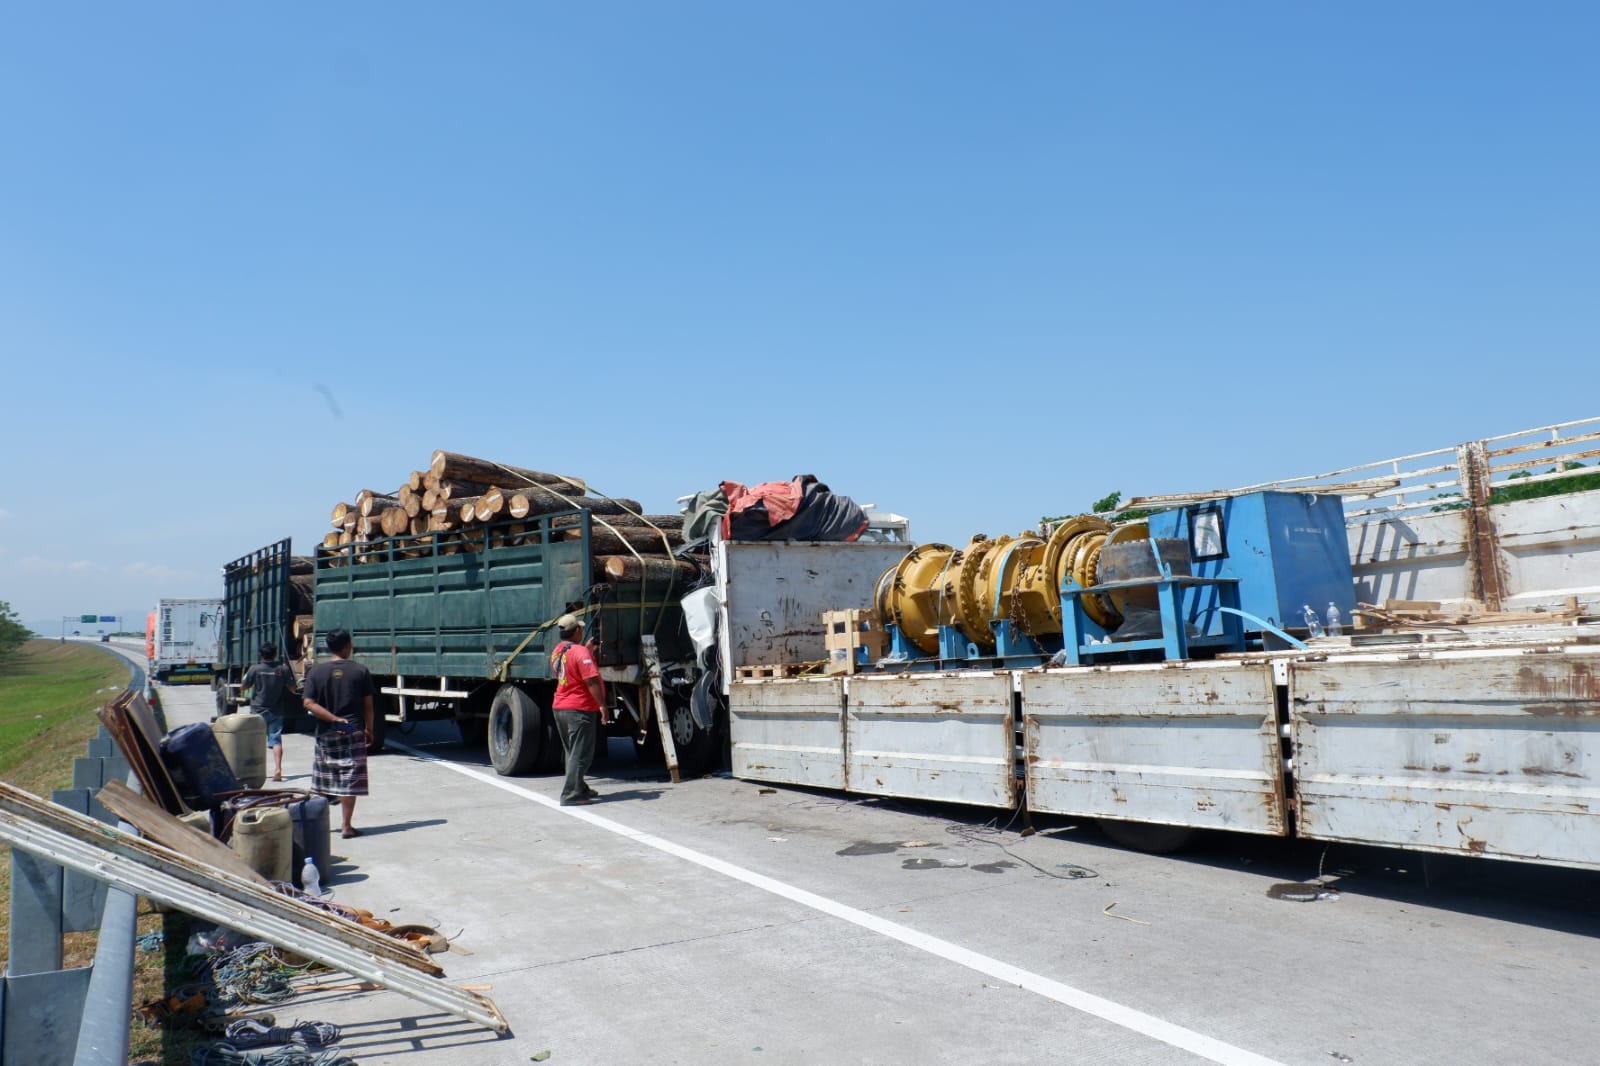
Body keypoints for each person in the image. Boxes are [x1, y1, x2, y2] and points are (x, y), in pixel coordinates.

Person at [301, 628, 375, 838]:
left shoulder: (316, 672)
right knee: (350, 779)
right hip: (351, 729)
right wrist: (369, 729)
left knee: (324, 779)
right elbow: (368, 706)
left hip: (326, 730)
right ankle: (346, 826)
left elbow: (308, 703)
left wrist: (332, 719)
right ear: (346, 646)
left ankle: (319, 824)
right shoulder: (360, 671)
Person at [550, 613, 609, 805]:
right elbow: (591, 681)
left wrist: (587, 651)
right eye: (581, 629)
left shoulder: (558, 651)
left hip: (561, 706)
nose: (583, 631)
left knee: (572, 752)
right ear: (576, 631)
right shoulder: (580, 653)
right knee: (581, 753)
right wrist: (602, 705)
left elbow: (571, 664)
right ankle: (570, 795)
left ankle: (580, 787)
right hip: (579, 708)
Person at [240, 643, 297, 782]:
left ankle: (252, 771)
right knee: (276, 740)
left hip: (257, 710)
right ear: (275, 654)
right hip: (276, 710)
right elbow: (293, 689)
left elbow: (244, 686)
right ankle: (278, 769)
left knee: (254, 741)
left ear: (261, 655)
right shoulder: (282, 669)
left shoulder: (255, 669)